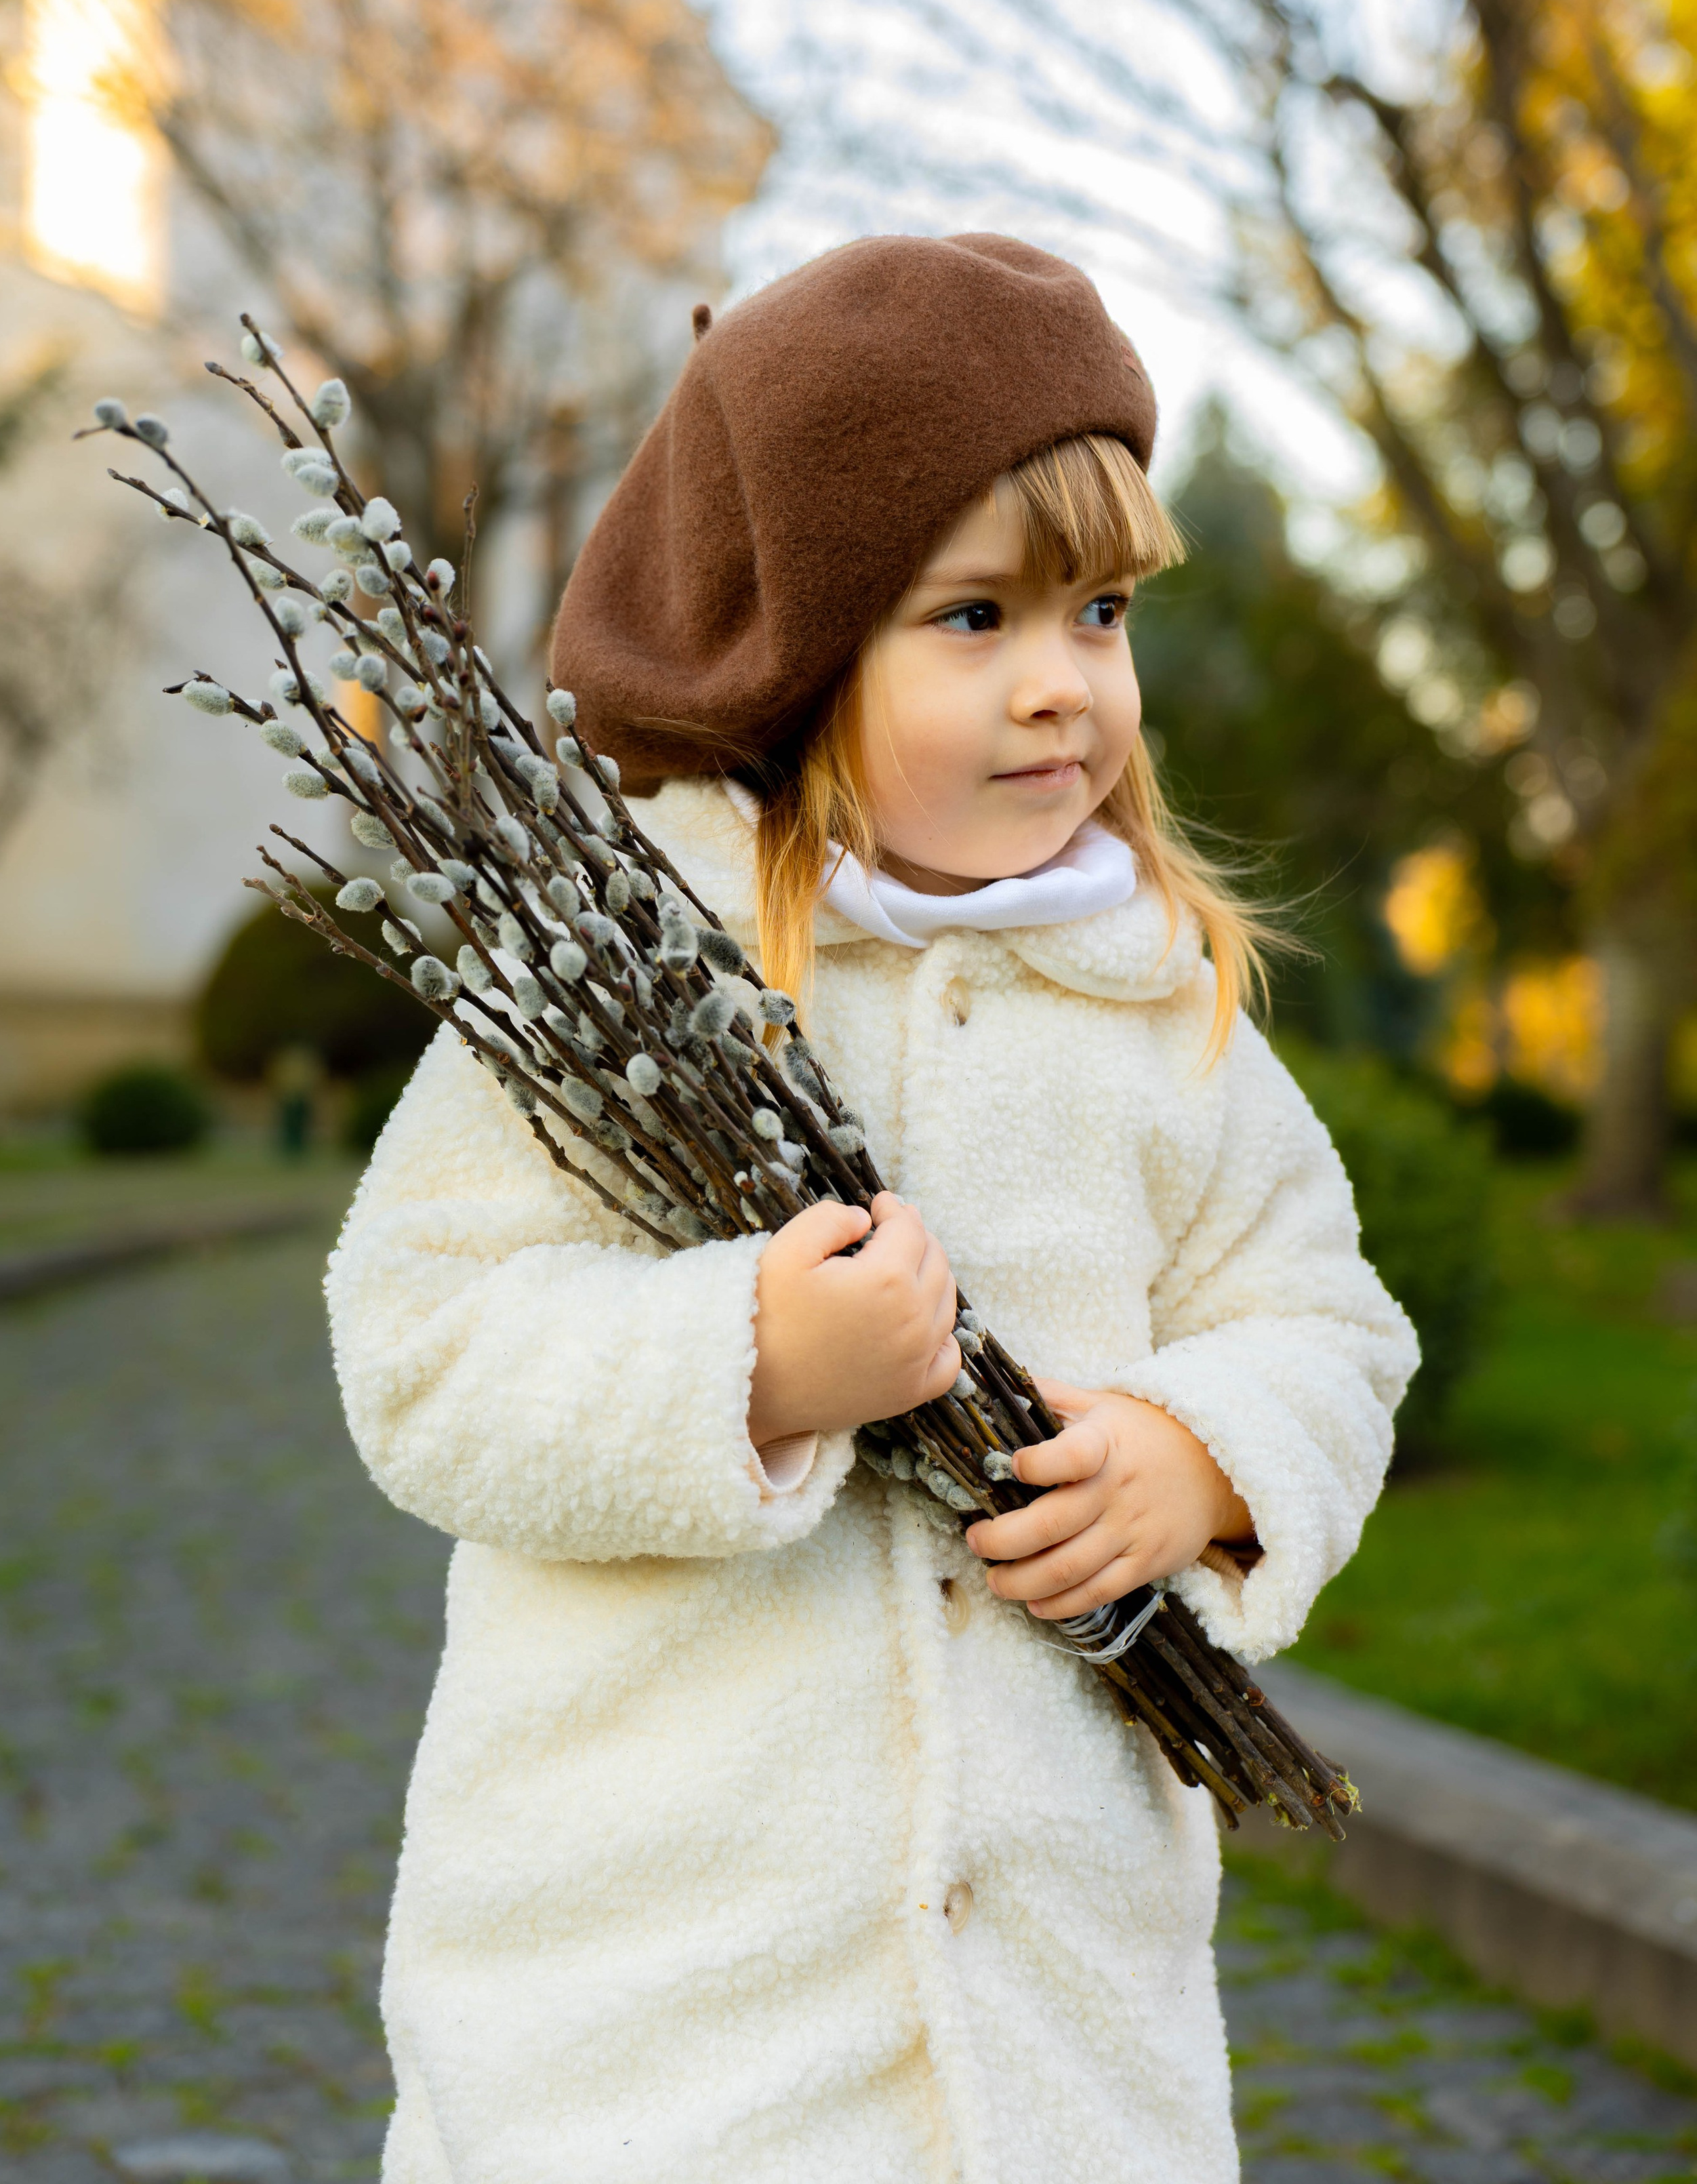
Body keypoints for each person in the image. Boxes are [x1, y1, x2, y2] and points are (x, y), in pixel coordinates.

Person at [326, 234, 1417, 2184]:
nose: (1060, 686)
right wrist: (747, 1362)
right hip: (664, 2008)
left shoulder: (1154, 998)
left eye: (1099, 612)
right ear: (801, 644)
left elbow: (1325, 1318)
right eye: (976, 616)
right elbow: (424, 1337)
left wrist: (1207, 1459)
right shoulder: (631, 979)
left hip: (1053, 2032)